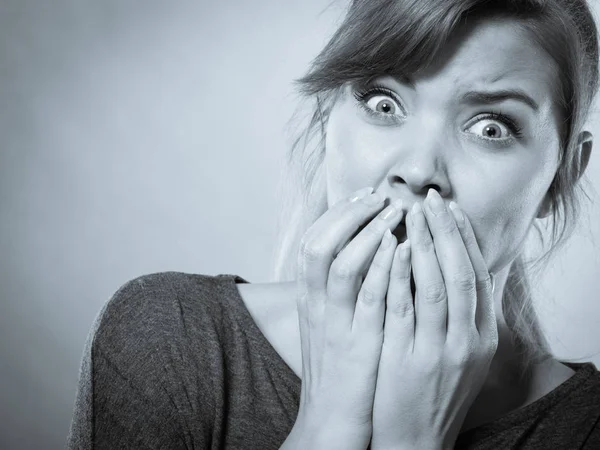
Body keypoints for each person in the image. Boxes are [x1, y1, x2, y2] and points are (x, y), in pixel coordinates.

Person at [67, 0, 600, 448]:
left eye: (490, 126)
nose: (417, 171)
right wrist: (327, 427)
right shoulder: (170, 341)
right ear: (329, 115)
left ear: (563, 175)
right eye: (384, 102)